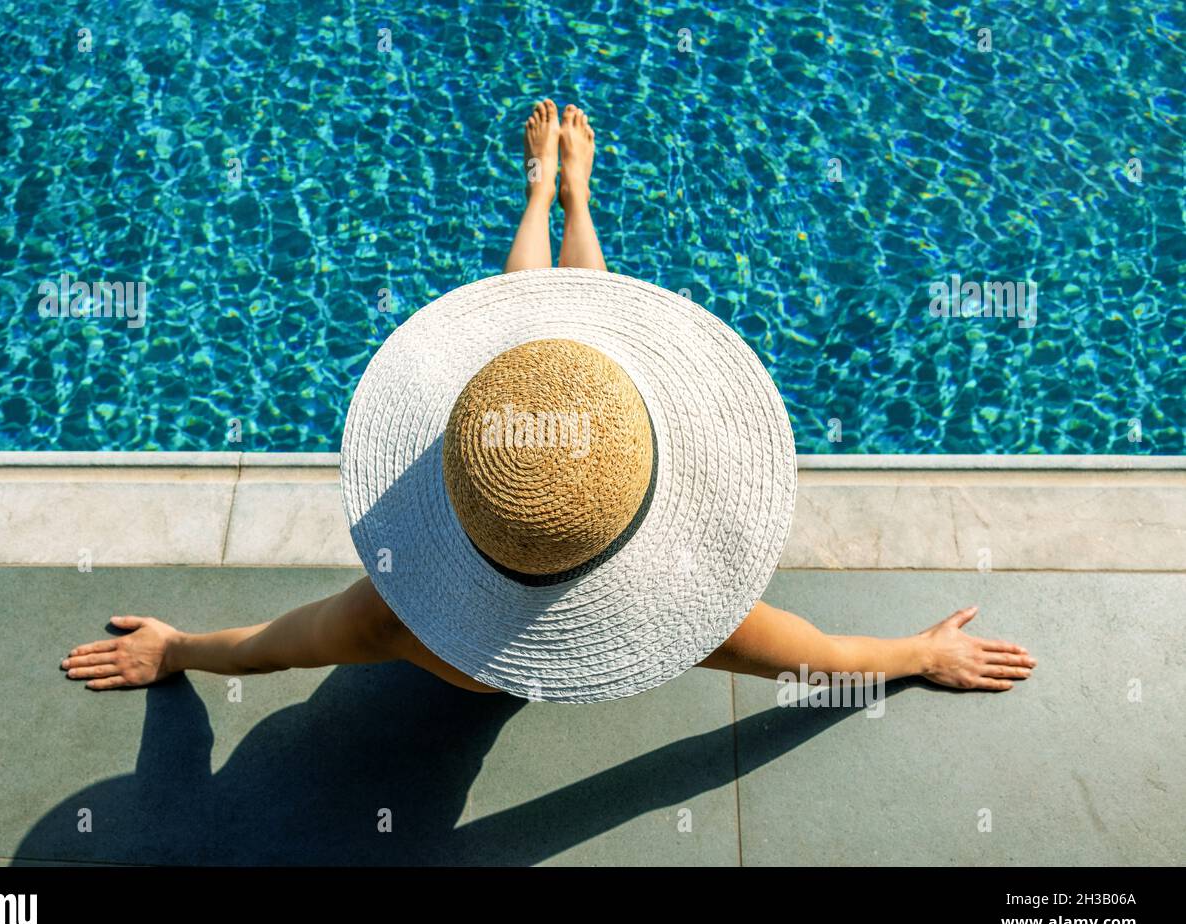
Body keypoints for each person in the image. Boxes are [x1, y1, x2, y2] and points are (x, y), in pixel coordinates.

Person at [61, 101, 1036, 697]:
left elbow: (275, 648)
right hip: (569, 538)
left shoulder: (393, 619)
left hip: (476, 609)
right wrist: (919, 657)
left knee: (555, 356)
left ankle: (548, 196)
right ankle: (567, 199)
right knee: (575, 349)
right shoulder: (700, 616)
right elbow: (819, 657)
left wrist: (176, 650)